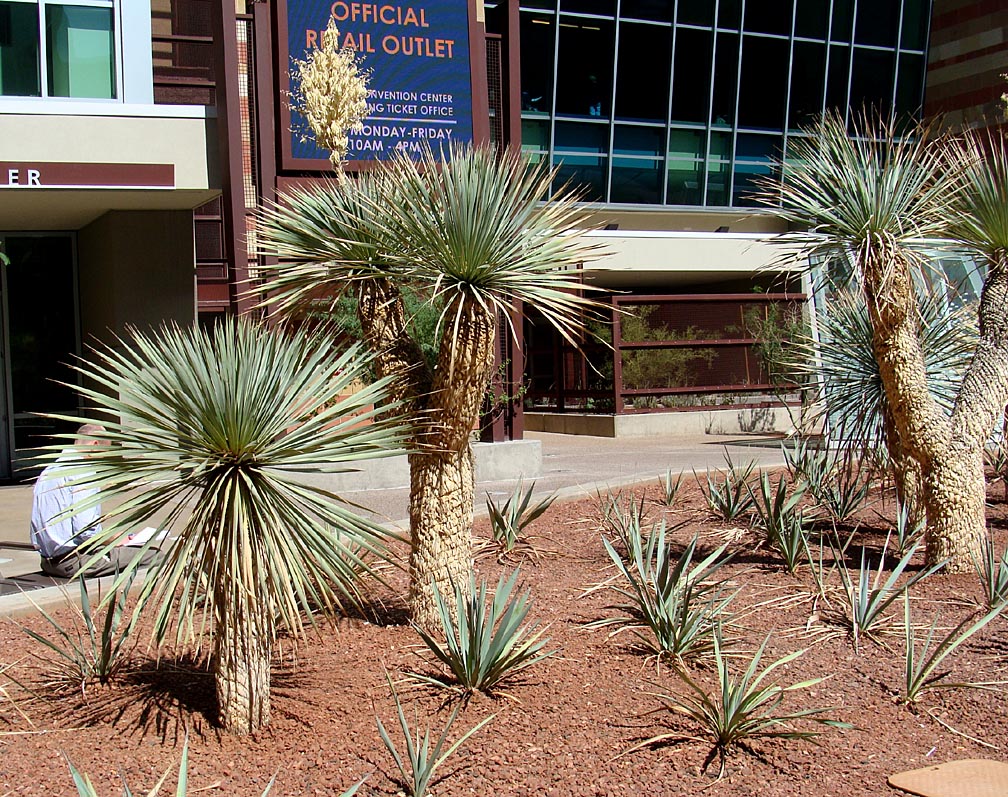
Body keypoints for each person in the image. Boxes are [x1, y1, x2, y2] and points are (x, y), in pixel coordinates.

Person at [31, 423, 159, 579]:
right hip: (73, 562)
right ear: (95, 445)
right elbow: (86, 530)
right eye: (104, 454)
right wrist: (117, 539)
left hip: (48, 561)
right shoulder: (83, 471)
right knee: (153, 554)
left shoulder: (49, 471)